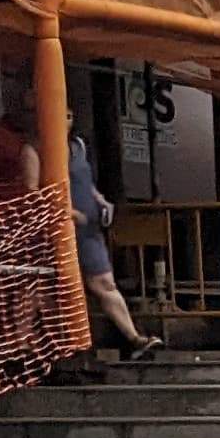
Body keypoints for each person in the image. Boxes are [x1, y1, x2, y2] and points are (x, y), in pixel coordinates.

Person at [67, 131, 163, 359]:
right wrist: (67, 212)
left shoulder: (78, 145)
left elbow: (86, 182)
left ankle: (134, 338)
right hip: (62, 228)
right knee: (48, 290)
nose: (66, 120)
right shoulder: (40, 149)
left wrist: (100, 200)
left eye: (70, 116)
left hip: (89, 230)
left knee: (105, 284)